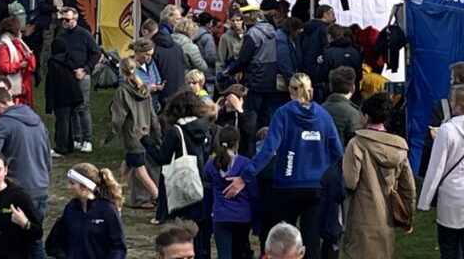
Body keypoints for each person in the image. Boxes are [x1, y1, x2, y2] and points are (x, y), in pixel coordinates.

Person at [224, 74, 343, 259]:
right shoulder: (323, 116)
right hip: (316, 186)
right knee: (311, 242)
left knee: (279, 238)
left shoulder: (283, 114)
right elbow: (337, 152)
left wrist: (245, 176)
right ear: (310, 90)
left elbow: (268, 149)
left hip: (287, 184)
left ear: (290, 91)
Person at [417, 85, 464, 259]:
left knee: (449, 250)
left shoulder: (447, 129)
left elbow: (436, 168)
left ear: (456, 105)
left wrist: (424, 201)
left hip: (452, 197)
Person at [341, 92, 415, 259]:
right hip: (387, 213)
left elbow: (350, 181)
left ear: (366, 117)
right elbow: (408, 185)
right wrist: (408, 216)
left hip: (363, 211)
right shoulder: (399, 146)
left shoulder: (357, 143)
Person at [0, 86, 52, 259]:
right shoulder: (38, 121)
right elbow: (48, 157)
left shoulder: (3, 123)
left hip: (18, 190)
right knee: (35, 238)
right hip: (41, 186)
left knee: (14, 242)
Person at [142, 90, 211, 250]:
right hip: (201, 186)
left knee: (181, 234)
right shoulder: (204, 128)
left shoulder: (176, 131)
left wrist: (146, 140)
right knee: (200, 237)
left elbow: (162, 158)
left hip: (183, 188)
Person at [104, 55, 160, 205]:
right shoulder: (145, 90)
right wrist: (157, 134)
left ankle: (160, 199)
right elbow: (153, 115)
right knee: (126, 167)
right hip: (144, 133)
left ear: (121, 71)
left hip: (132, 137)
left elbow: (118, 118)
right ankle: (118, 196)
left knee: (141, 173)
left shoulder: (122, 92)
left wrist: (108, 137)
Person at [45, 163, 127, 259]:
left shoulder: (107, 210)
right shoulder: (71, 208)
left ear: (84, 186)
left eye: (72, 183)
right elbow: (56, 242)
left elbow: (119, 247)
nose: (68, 187)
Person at [204, 126, 258, 259]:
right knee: (238, 254)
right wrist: (256, 223)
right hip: (242, 217)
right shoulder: (246, 164)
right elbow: (254, 196)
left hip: (221, 216)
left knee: (224, 255)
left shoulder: (211, 162)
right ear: (237, 143)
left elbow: (207, 193)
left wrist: (207, 220)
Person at [419, 61, 464, 176]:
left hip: (448, 173)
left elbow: (429, 144)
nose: (450, 81)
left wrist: (424, 172)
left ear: (457, 80)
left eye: (452, 78)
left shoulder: (443, 107)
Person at [222, 9, 280, 129]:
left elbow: (244, 59)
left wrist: (229, 71)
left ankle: (251, 142)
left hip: (254, 79)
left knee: (251, 117)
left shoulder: (252, 34)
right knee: (266, 116)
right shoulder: (272, 31)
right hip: (270, 78)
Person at [56, 7, 100, 152]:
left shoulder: (84, 34)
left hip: (82, 74)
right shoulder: (61, 35)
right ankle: (77, 137)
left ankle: (88, 139)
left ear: (75, 20)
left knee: (83, 107)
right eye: (62, 19)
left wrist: (85, 69)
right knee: (72, 108)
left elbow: (95, 53)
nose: (64, 22)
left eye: (67, 19)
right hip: (67, 76)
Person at [46, 38, 83, 156]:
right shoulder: (70, 60)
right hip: (74, 94)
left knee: (62, 122)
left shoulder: (53, 63)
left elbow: (50, 83)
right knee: (68, 121)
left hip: (61, 96)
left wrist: (49, 104)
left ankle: (61, 147)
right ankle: (69, 144)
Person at [0, 17, 36, 108]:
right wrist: (19, 65)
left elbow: (32, 66)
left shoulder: (18, 44)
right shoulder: (4, 47)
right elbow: (3, 66)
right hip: (14, 86)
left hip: (23, 83)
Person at [143, 18, 187, 100]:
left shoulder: (153, 51)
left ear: (145, 32)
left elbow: (151, 72)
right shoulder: (177, 47)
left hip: (162, 93)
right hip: (180, 90)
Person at [34, 0, 64, 82]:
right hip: (49, 20)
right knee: (48, 44)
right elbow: (41, 6)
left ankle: (56, 69)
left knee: (59, 43)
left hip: (60, 20)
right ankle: (44, 71)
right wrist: (55, 8)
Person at [299, 6, 335, 101]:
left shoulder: (306, 28)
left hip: (306, 65)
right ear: (324, 14)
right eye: (332, 13)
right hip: (319, 66)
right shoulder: (325, 29)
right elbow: (327, 47)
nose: (333, 16)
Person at [322, 66, 361, 147]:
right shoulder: (354, 114)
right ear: (353, 88)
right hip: (344, 158)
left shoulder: (319, 109)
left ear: (331, 87)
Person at [131, 37, 165, 110]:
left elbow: (157, 78)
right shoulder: (129, 66)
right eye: (147, 54)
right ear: (137, 51)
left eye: (151, 55)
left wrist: (159, 85)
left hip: (153, 101)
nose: (149, 57)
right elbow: (126, 89)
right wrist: (147, 89)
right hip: (139, 105)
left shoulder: (151, 62)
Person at [193, 12, 218, 82]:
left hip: (194, 69)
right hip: (208, 72)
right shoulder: (208, 37)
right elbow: (210, 56)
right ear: (209, 23)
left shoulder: (193, 33)